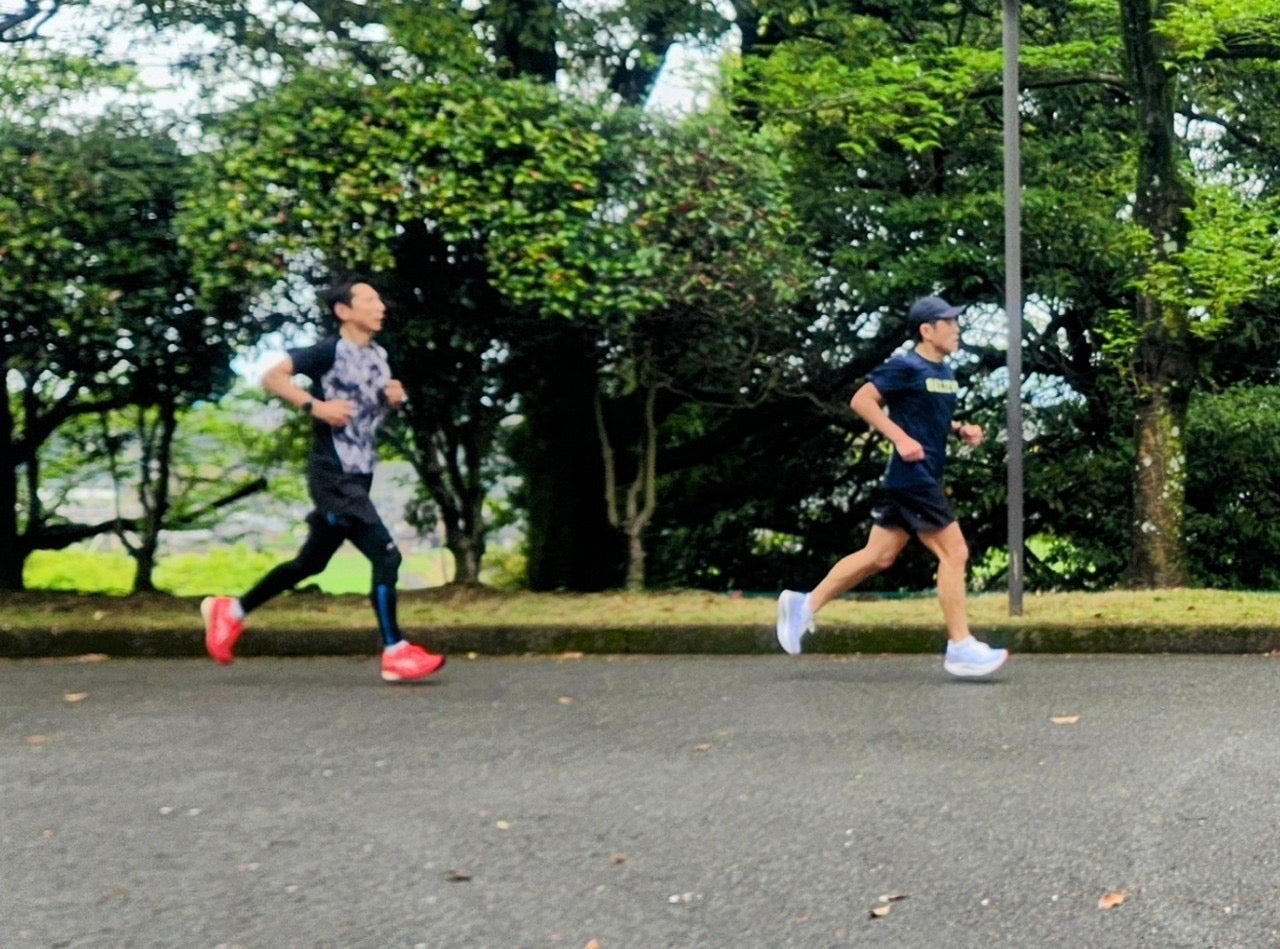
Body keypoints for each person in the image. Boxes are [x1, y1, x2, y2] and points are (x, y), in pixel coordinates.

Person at [201, 276, 445, 683]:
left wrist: (394, 400)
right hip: (333, 475)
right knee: (387, 555)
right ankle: (395, 652)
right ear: (344, 311)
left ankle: (232, 611)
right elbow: (272, 376)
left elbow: (368, 415)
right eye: (370, 300)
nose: (381, 306)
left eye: (380, 299)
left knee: (310, 563)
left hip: (359, 473)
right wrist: (316, 406)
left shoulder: (380, 356)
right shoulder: (328, 351)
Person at [776, 294, 1008, 678]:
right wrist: (899, 438)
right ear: (927, 330)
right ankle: (961, 647)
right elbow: (862, 400)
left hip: (920, 475)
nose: (957, 329)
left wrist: (958, 429)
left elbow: (926, 416)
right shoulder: (905, 366)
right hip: (913, 478)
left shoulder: (944, 372)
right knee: (955, 553)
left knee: (879, 556)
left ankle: (804, 605)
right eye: (949, 323)